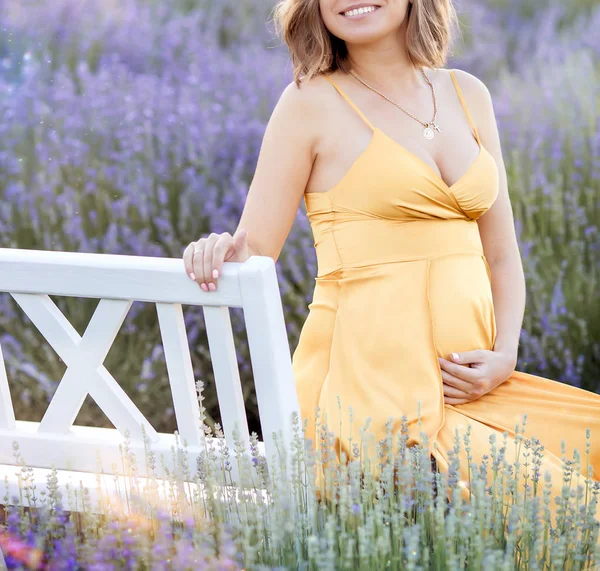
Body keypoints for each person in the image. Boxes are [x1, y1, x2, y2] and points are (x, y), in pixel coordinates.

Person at [182, 0, 600, 530]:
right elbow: (254, 247)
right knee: (575, 513)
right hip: (374, 398)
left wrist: (504, 356)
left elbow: (501, 252)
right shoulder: (309, 103)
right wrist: (215, 250)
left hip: (472, 390)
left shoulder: (467, 94)